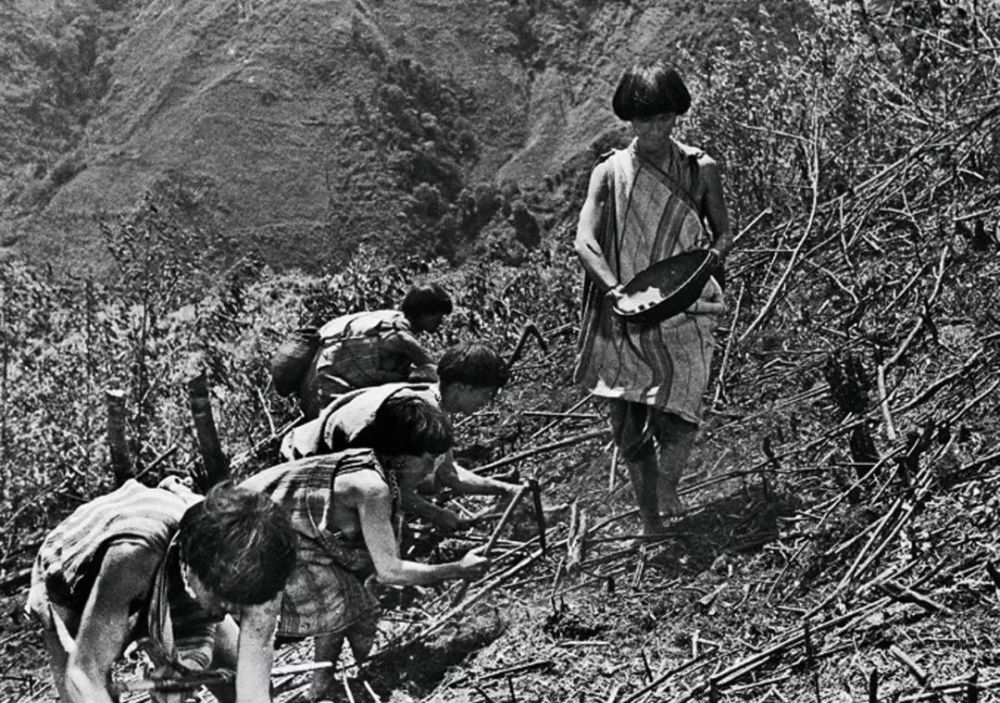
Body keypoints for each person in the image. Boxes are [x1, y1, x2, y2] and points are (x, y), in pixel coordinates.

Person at [240, 396, 490, 701]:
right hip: (250, 535)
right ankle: (335, 683)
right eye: (428, 460)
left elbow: (398, 503)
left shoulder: (378, 465)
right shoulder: (371, 486)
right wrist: (456, 569)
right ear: (403, 456)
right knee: (343, 600)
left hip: (278, 527)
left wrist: (437, 515)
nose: (430, 470)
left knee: (355, 602)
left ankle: (340, 679)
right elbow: (390, 571)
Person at [573, 61, 732, 537]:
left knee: (683, 406)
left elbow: (722, 233)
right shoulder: (610, 172)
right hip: (626, 313)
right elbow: (585, 240)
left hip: (687, 304)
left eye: (664, 119)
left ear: (677, 116)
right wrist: (615, 290)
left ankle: (669, 485)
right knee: (630, 421)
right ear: (630, 120)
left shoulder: (699, 168)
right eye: (645, 121)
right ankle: (650, 522)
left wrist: (707, 262)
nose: (655, 130)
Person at [25, 477, 298, 703]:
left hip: (174, 565)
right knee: (92, 692)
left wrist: (186, 668)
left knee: (235, 679)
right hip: (75, 581)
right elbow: (84, 674)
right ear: (192, 569)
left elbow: (253, 691)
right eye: (225, 603)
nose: (230, 613)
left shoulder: (256, 556)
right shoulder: (133, 556)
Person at [282, 342, 519, 532]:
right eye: (487, 394)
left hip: (336, 456)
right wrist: (437, 515)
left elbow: (448, 473)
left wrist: (505, 489)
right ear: (463, 388)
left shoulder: (435, 403)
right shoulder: (416, 415)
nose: (486, 403)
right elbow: (394, 491)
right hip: (305, 464)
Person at [299, 282, 454, 419]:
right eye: (438, 316)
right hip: (327, 399)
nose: (440, 322)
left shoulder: (390, 318)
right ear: (425, 313)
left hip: (311, 390)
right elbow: (436, 375)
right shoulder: (402, 338)